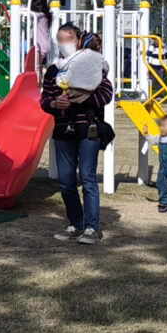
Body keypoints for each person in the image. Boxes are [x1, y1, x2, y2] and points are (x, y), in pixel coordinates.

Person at [41, 23, 115, 243]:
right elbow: (44, 99)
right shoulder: (54, 69)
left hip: (88, 129)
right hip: (63, 130)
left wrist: (81, 99)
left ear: (78, 40)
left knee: (88, 178)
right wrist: (54, 103)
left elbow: (106, 93)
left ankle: (91, 227)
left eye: (68, 38)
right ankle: (75, 222)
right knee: (65, 181)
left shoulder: (93, 65)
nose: (64, 43)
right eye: (60, 39)